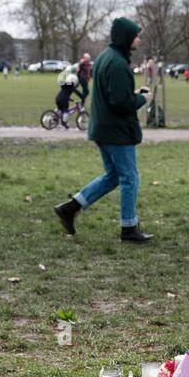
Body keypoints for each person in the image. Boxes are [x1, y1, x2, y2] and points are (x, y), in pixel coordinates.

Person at [52, 17, 153, 243]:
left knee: (114, 176)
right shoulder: (117, 63)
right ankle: (128, 228)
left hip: (103, 129)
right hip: (116, 131)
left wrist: (132, 92)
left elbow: (113, 94)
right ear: (126, 37)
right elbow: (120, 102)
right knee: (129, 178)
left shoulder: (106, 58)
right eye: (136, 35)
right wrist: (141, 98)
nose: (138, 38)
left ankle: (70, 207)